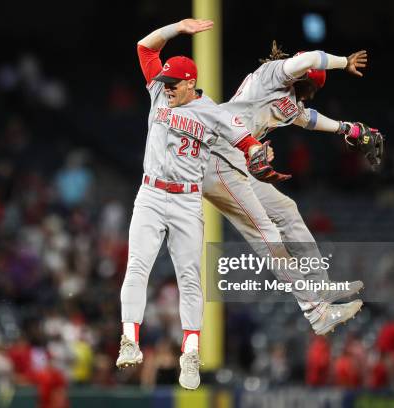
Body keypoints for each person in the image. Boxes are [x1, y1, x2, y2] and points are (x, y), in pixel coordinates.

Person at [117, 18, 264, 390]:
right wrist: (178, 28)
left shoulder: (213, 112)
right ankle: (129, 339)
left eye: (172, 84)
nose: (164, 88)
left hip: (185, 199)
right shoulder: (157, 92)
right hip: (151, 193)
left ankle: (191, 351)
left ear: (189, 83)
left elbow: (247, 141)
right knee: (137, 265)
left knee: (189, 278)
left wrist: (260, 151)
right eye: (163, 82)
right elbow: (144, 47)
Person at [204, 42, 379, 335]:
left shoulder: (289, 99)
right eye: (311, 86)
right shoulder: (274, 74)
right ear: (307, 80)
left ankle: (319, 287)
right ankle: (317, 311)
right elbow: (310, 58)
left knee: (287, 211)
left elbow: (307, 118)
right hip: (214, 158)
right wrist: (343, 62)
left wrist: (347, 129)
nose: (310, 94)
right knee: (267, 235)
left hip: (235, 162)